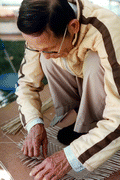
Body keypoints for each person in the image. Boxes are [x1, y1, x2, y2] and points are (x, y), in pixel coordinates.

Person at [16, 0, 120, 179]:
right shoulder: (41, 31)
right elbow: (26, 83)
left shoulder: (108, 29)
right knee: (44, 61)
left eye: (51, 49)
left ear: (73, 26)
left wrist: (70, 158)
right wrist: (34, 123)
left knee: (94, 63)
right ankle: (84, 119)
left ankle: (95, 128)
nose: (46, 56)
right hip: (82, 75)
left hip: (113, 82)